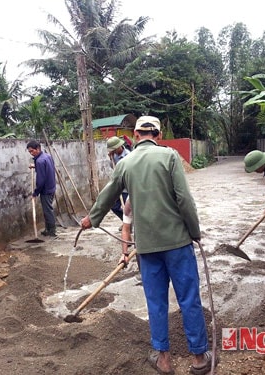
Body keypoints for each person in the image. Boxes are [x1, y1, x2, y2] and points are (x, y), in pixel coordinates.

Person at [81, 116, 214, 375]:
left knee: (156, 302)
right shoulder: (170, 157)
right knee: (189, 298)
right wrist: (195, 231)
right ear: (159, 135)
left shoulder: (125, 163)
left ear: (135, 134)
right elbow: (184, 199)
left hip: (146, 247)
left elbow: (108, 195)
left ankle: (163, 359)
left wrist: (91, 219)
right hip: (177, 243)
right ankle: (199, 358)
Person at [26, 140, 57, 237]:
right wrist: (35, 166)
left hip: (46, 189)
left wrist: (35, 193)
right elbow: (46, 168)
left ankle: (52, 231)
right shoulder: (47, 156)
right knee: (48, 209)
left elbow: (40, 181)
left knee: (47, 211)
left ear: (38, 149)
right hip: (51, 186)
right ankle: (48, 229)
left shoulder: (39, 161)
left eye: (32, 151)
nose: (31, 153)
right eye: (30, 152)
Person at [106, 136, 130, 224]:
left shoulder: (128, 155)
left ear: (118, 147)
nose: (113, 151)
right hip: (118, 186)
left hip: (127, 187)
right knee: (114, 206)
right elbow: (113, 168)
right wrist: (110, 158)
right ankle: (125, 222)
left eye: (113, 149)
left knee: (127, 209)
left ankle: (128, 224)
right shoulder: (114, 156)